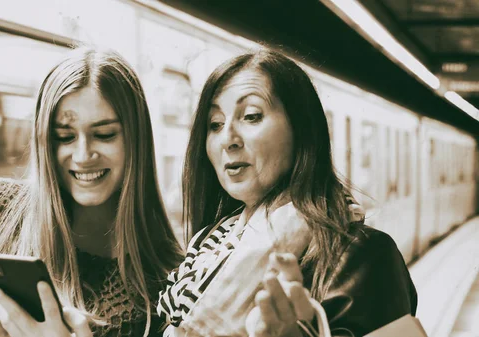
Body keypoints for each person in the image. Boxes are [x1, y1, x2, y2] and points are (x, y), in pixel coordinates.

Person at [0, 46, 183, 337]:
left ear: (137, 140)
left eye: (104, 135)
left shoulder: (168, 279)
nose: (82, 154)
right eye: (64, 137)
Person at [156, 48, 417, 337]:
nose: (227, 139)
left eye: (252, 116)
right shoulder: (206, 243)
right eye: (215, 124)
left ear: (301, 129)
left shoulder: (363, 257)